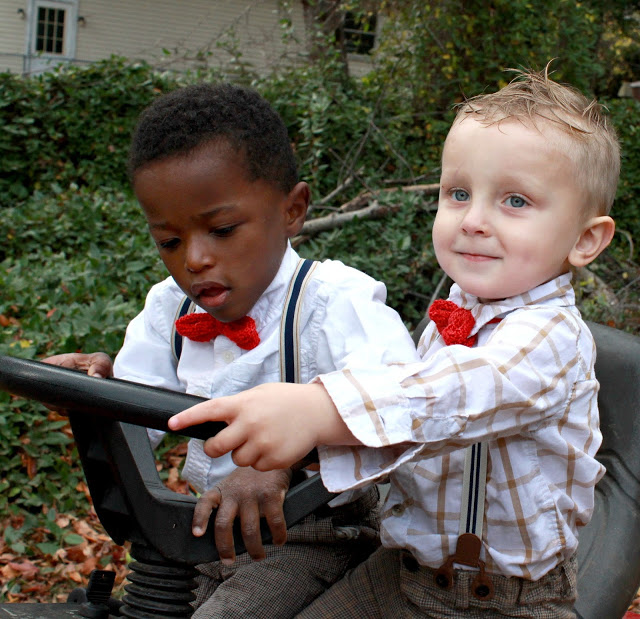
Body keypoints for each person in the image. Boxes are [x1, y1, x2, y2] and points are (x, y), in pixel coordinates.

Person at [168, 66, 619, 618]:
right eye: (458, 193)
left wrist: (319, 406)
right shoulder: (453, 316)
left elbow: (454, 396)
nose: (473, 220)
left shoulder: (550, 339)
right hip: (401, 573)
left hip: (503, 602)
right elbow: (400, 424)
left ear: (586, 239)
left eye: (515, 201)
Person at [45, 82, 420, 618]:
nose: (194, 259)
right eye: (168, 242)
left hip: (313, 534)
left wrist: (283, 461)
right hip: (210, 528)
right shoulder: (169, 309)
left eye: (221, 230)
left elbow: (400, 404)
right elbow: (141, 415)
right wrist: (98, 392)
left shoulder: (334, 305)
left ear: (293, 211)